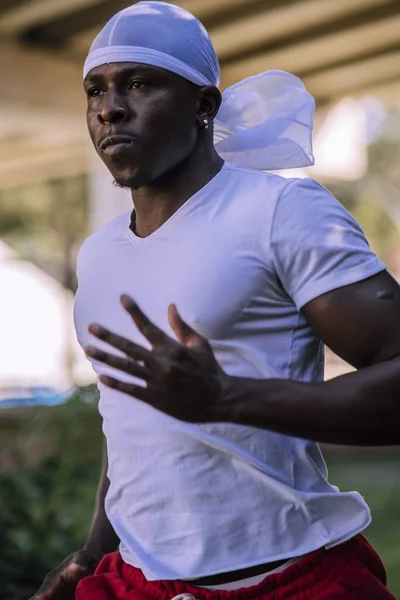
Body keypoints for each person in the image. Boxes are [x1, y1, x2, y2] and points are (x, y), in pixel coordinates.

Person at [31, 2, 399, 599]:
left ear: (205, 104)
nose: (109, 108)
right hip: (138, 583)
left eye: (139, 83)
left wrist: (228, 398)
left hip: (290, 580)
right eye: (94, 90)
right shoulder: (98, 253)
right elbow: (129, 420)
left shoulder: (282, 212)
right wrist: (91, 556)